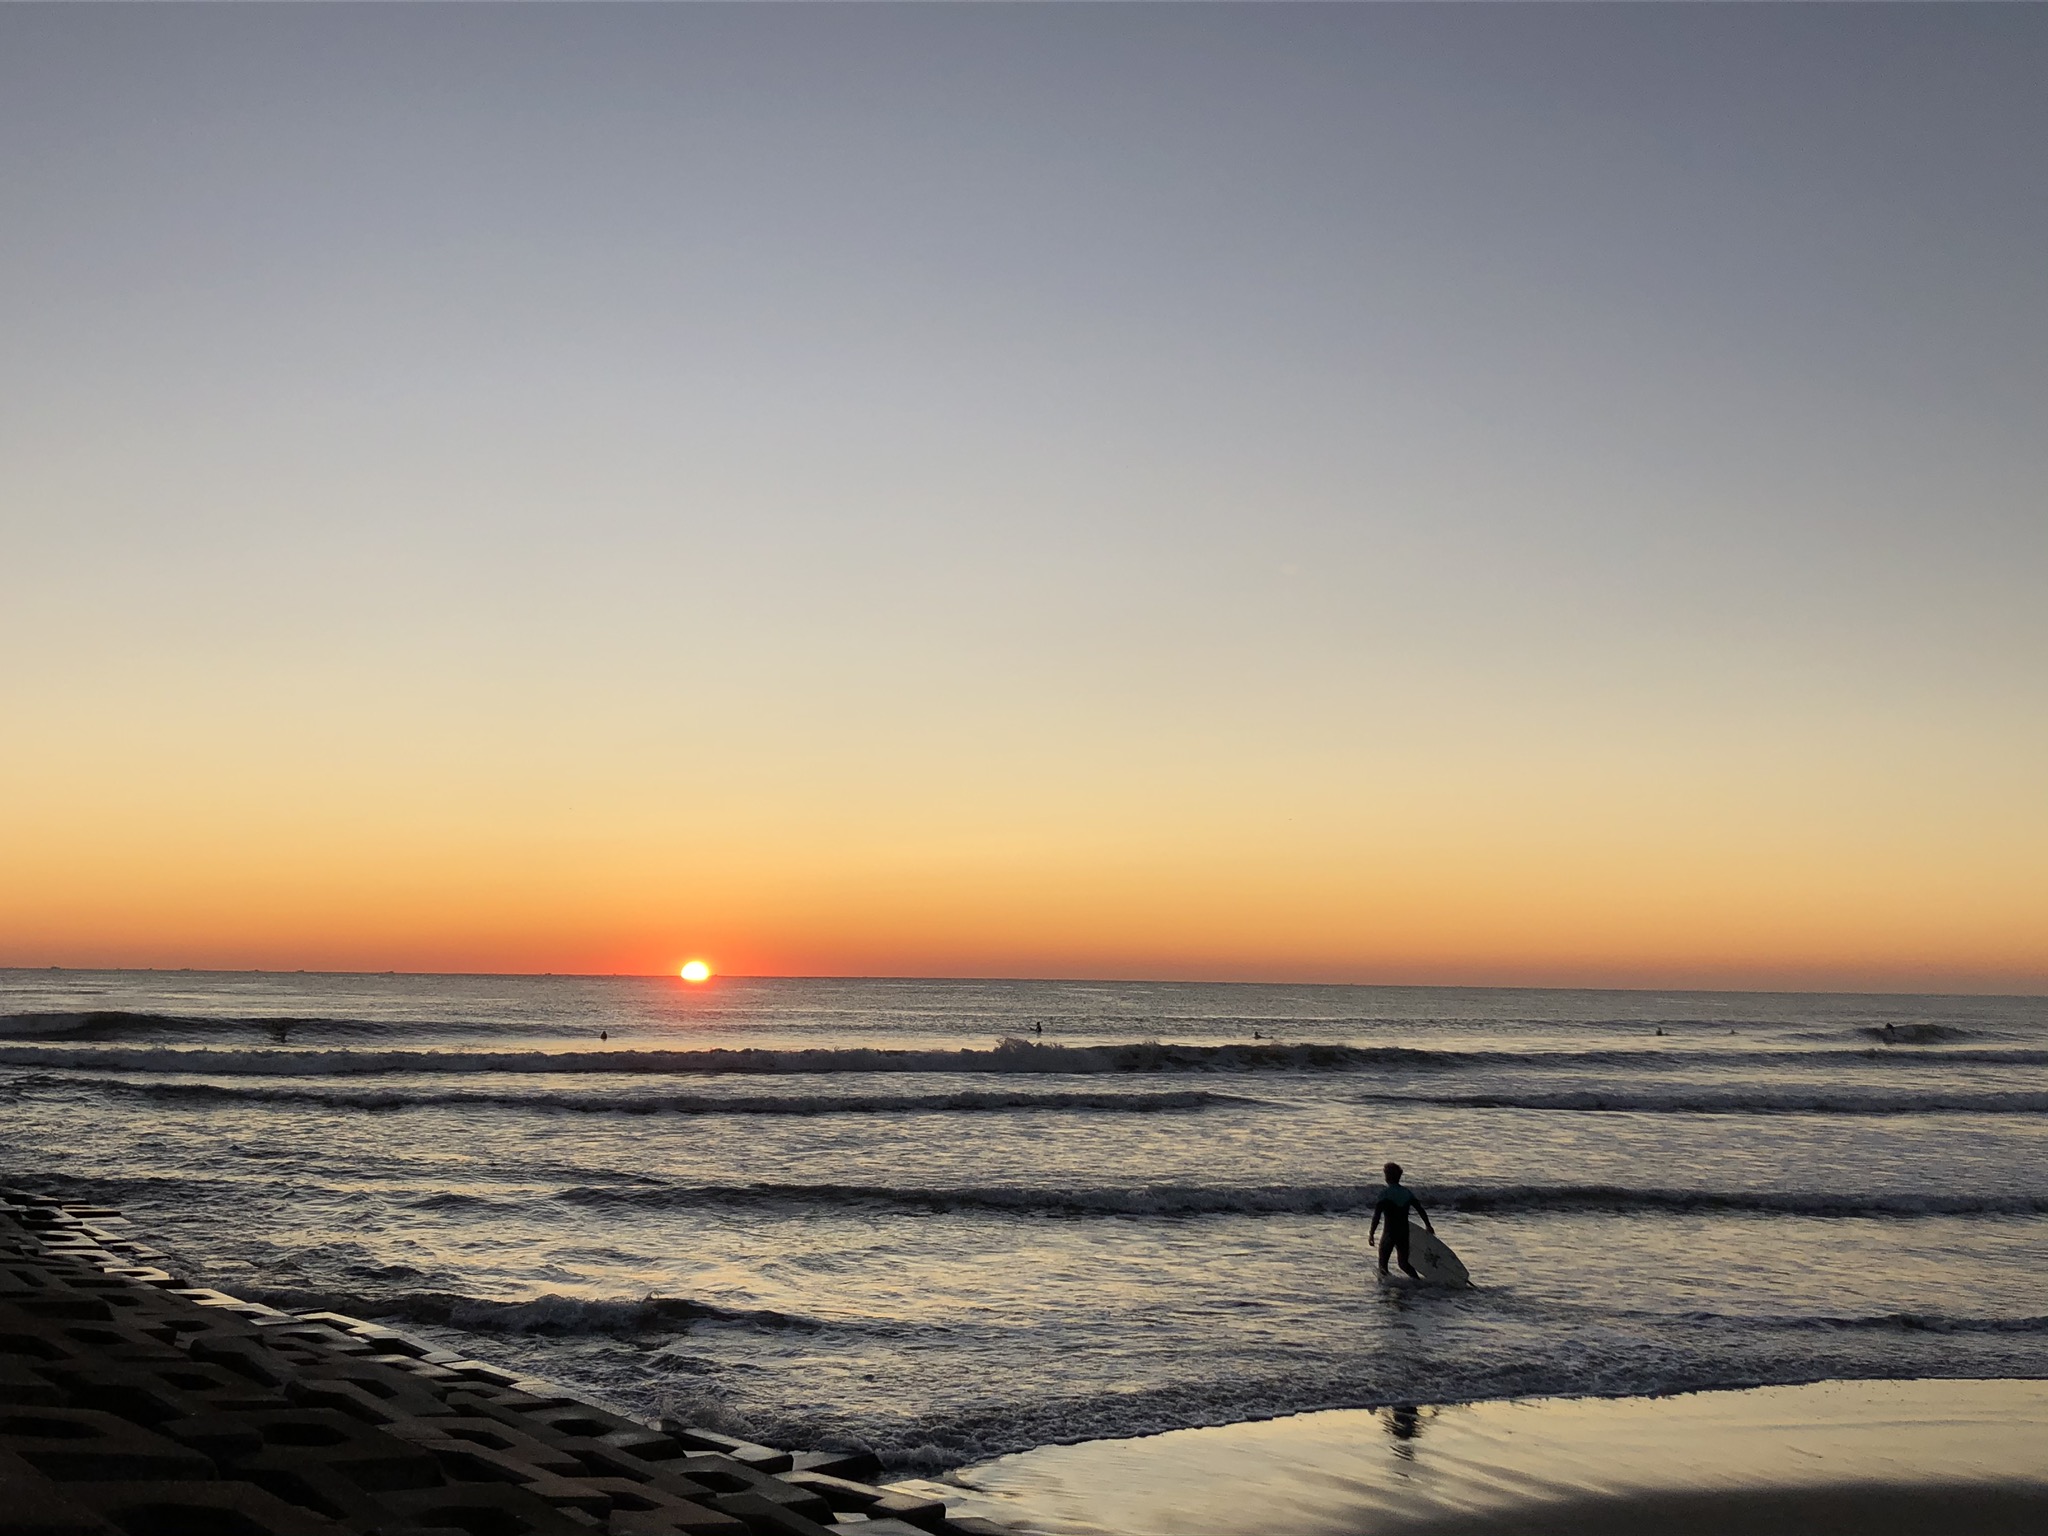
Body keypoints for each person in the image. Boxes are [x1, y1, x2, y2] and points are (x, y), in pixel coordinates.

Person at [1369, 1161, 1434, 1279]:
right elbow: (1420, 1209)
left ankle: (1385, 1289)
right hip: (1404, 1232)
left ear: (1387, 1177)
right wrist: (1428, 1225)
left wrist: (1371, 1234)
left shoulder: (1385, 1194)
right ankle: (1417, 1282)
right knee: (1404, 1264)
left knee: (1383, 1265)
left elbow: (1376, 1216)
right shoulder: (1407, 1193)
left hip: (1389, 1233)